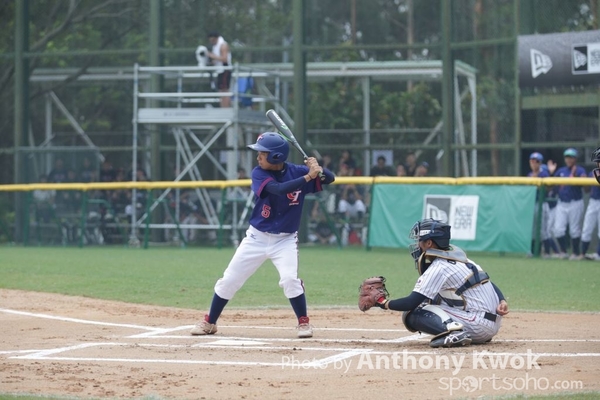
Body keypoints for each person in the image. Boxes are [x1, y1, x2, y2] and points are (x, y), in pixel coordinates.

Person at [190, 132, 335, 338]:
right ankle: (210, 322)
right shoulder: (259, 173)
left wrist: (318, 168)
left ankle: (303, 323)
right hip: (256, 238)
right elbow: (278, 189)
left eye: (262, 153)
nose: (258, 157)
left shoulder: (297, 171)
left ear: (276, 157)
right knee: (229, 279)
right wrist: (308, 176)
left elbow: (330, 178)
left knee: (289, 279)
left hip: (285, 240)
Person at [371, 218, 509, 348]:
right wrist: (502, 300)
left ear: (429, 243)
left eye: (420, 240)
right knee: (433, 299)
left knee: (413, 311)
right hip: (491, 324)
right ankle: (470, 332)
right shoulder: (462, 260)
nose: (418, 244)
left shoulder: (439, 267)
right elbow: (486, 281)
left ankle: (455, 333)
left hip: (478, 326)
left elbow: (410, 303)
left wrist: (383, 302)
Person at [550, 148, 587, 260]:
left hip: (575, 202)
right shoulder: (561, 171)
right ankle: (563, 251)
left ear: (575, 159)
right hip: (562, 203)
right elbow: (552, 185)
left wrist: (576, 177)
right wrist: (552, 173)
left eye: (571, 157)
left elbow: (586, 187)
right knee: (558, 229)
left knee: (574, 230)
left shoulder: (580, 170)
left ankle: (575, 253)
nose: (569, 159)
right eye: (567, 157)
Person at [527, 152, 560, 258]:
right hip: (532, 204)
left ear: (540, 163)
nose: (534, 163)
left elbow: (549, 187)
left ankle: (547, 252)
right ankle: (533, 252)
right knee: (532, 230)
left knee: (543, 230)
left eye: (536, 161)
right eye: (532, 161)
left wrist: (550, 173)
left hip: (542, 204)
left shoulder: (544, 173)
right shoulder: (529, 174)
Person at [207, 31, 231, 108]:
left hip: (225, 69)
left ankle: (226, 108)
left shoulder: (223, 45)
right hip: (219, 70)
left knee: (225, 90)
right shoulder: (215, 46)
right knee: (221, 91)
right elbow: (219, 58)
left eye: (213, 40)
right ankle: (223, 107)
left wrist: (212, 56)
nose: (212, 42)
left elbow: (224, 59)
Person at [581, 170, 600, 260]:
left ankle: (598, 254)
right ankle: (582, 253)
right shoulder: (593, 172)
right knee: (587, 228)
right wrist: (585, 182)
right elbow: (587, 190)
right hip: (593, 201)